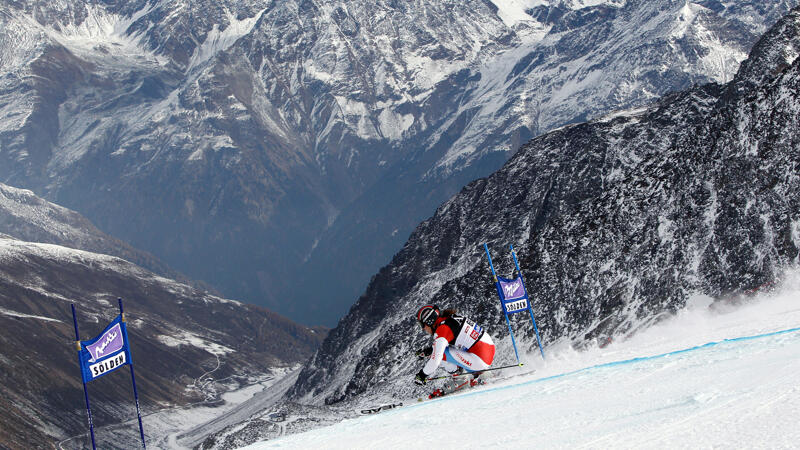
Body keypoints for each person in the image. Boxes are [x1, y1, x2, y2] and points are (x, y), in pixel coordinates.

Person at [413, 304, 495, 390]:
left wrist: (422, 375)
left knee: (440, 355)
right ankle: (479, 373)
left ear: (429, 321)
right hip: (488, 350)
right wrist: (430, 350)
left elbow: (436, 359)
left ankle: (460, 379)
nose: (423, 329)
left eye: (422, 325)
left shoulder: (442, 329)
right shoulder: (450, 319)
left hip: (480, 359)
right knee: (442, 350)